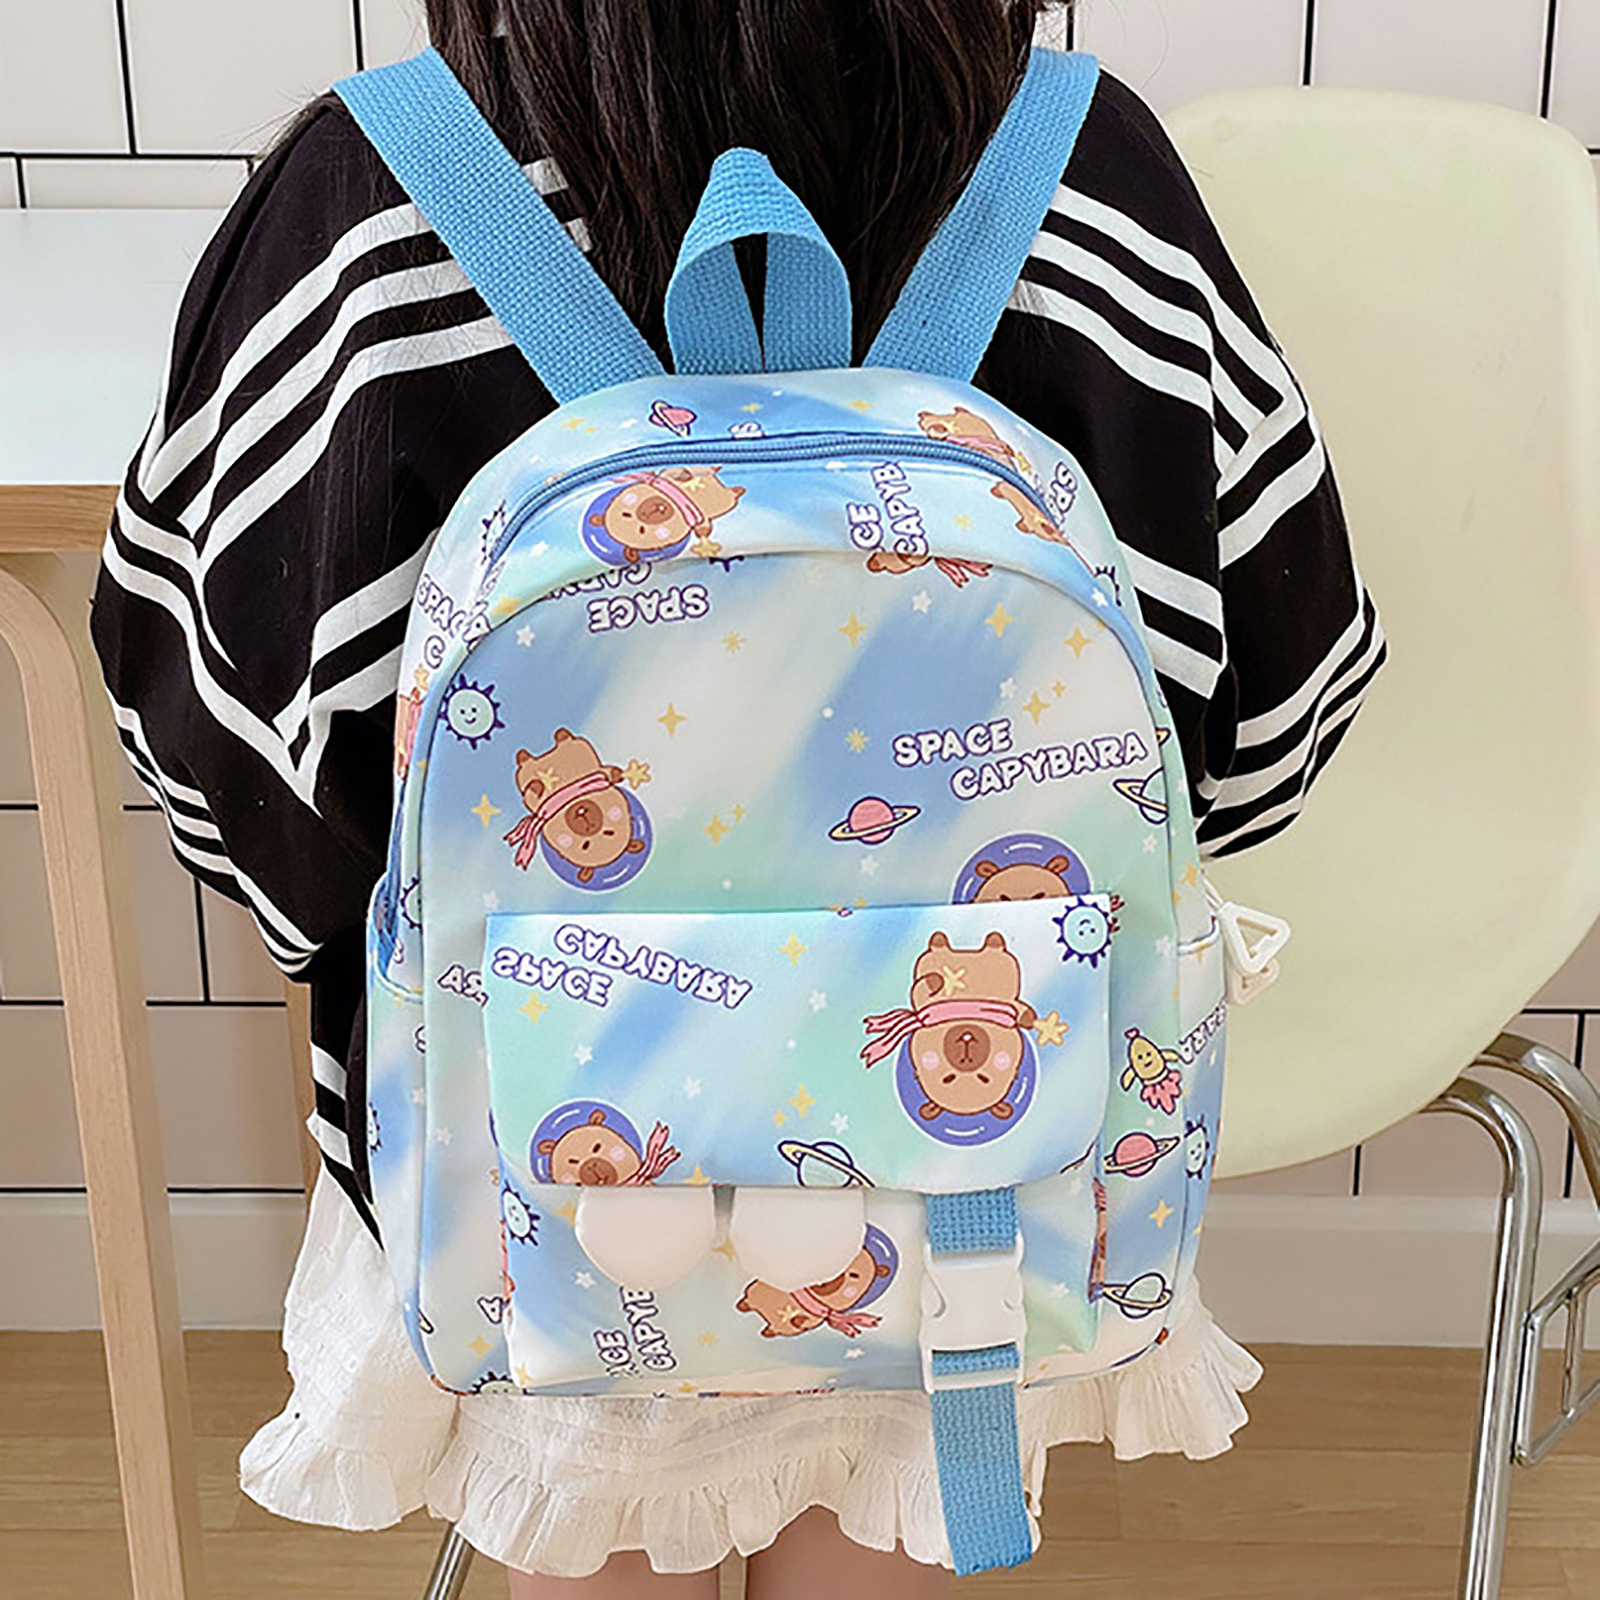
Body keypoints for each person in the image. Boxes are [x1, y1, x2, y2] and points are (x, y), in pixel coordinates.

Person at [91, 2, 1386, 1595]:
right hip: (993, 1199)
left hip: (526, 1184)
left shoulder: (367, 201)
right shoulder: (1086, 169)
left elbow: (222, 764)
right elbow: (1269, 722)